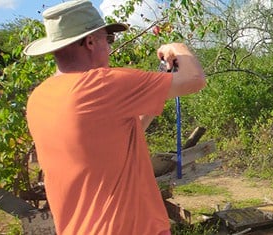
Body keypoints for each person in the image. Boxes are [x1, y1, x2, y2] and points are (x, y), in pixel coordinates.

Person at [23, 1, 206, 234]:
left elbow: (112, 141)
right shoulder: (101, 84)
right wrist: (177, 47)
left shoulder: (38, 98)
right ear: (90, 42)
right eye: (108, 38)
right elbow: (194, 78)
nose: (109, 47)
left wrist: (151, 101)